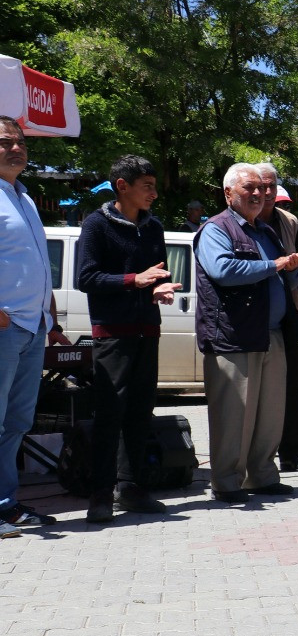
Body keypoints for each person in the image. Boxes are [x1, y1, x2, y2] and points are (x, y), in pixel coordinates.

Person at [75, 154, 182, 523]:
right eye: (147, 186)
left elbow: (159, 274)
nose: (154, 193)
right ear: (122, 186)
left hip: (147, 330)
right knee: (110, 414)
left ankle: (131, 487)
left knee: (140, 411)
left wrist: (160, 289)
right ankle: (101, 494)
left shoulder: (154, 227)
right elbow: (86, 278)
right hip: (112, 334)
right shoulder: (96, 225)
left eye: (154, 186)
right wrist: (133, 280)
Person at [196, 164, 298, 503]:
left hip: (271, 333)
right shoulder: (216, 228)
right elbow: (223, 270)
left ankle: (262, 476)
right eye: (249, 188)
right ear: (228, 193)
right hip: (234, 335)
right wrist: (275, 265)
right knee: (234, 415)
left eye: (262, 188)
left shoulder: (266, 230)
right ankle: (227, 482)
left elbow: (285, 276)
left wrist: (295, 267)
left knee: (269, 414)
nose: (259, 194)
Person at [0, 116, 69, 535]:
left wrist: (51, 317)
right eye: (5, 142)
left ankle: (6, 504)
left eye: (20, 142)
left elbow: (38, 264)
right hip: (4, 326)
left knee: (17, 423)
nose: (15, 148)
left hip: (32, 326)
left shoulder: (24, 197)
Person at [257, 172, 298, 475]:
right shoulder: (236, 223)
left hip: (291, 308)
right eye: (260, 186)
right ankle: (254, 459)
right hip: (253, 313)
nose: (266, 192)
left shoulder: (291, 223)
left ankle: (292, 453)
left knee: (294, 384)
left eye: (271, 186)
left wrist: (295, 269)